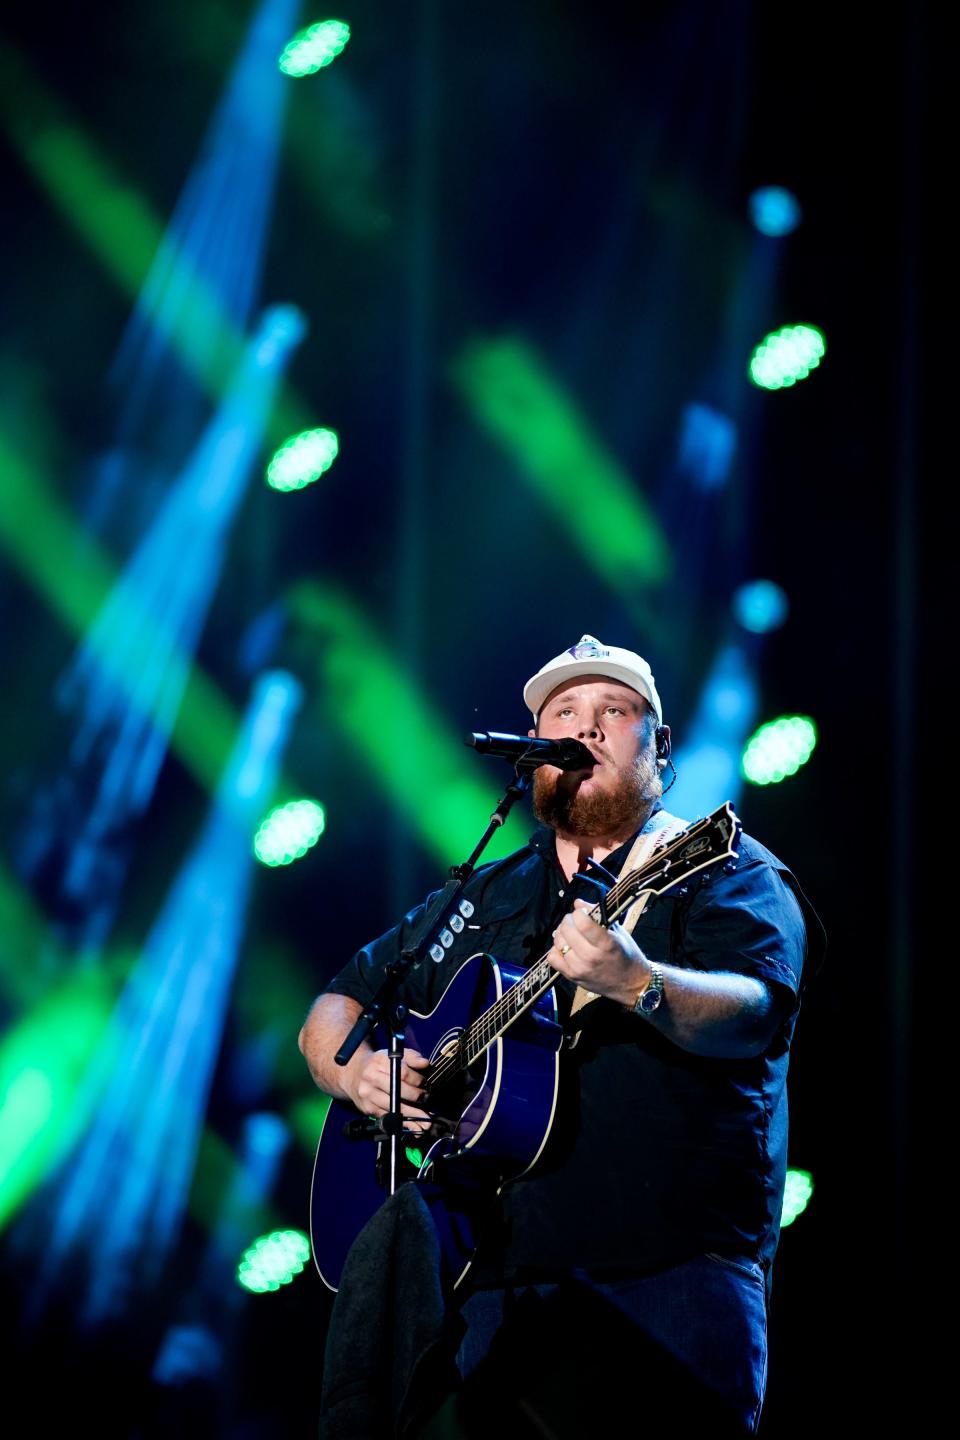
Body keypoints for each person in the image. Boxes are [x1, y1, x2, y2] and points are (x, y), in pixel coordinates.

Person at [299, 635, 822, 1436]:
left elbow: (756, 1010)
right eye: (564, 714)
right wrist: (362, 1074)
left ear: (660, 746)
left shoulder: (723, 867)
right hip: (492, 1286)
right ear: (535, 754)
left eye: (615, 712)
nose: (587, 728)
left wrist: (638, 981)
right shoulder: (488, 893)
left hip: (668, 1275)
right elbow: (334, 1009)